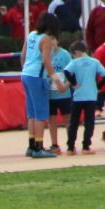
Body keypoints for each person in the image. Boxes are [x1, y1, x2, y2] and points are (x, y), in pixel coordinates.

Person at [21, 13, 63, 159]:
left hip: (26, 74)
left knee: (32, 113)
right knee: (40, 114)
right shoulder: (46, 39)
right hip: (37, 76)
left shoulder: (31, 35)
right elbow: (46, 60)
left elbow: (23, 55)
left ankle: (31, 145)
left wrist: (26, 69)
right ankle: (38, 147)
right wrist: (56, 79)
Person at [64, 41, 105, 154]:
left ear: (76, 52)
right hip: (91, 96)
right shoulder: (94, 62)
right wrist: (98, 86)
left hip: (78, 96)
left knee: (74, 122)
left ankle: (70, 148)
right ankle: (86, 147)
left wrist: (74, 83)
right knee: (89, 122)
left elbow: (66, 72)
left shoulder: (75, 62)